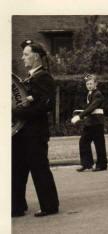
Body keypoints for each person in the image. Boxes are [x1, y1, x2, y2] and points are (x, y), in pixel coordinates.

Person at [12, 39, 59, 217]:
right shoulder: (30, 78)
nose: (22, 57)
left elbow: (45, 105)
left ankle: (49, 206)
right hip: (22, 133)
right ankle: (16, 206)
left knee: (39, 169)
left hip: (35, 133)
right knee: (17, 169)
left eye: (26, 54)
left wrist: (18, 112)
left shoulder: (43, 77)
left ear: (36, 57)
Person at [72, 74, 108, 172]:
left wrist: (79, 116)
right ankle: (86, 164)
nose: (89, 85)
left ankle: (102, 165)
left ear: (96, 84)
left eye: (91, 83)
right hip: (90, 122)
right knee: (83, 142)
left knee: (99, 144)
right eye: (87, 84)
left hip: (96, 122)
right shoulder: (90, 93)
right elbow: (89, 108)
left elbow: (92, 107)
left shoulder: (98, 94)